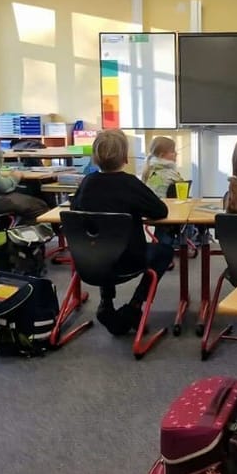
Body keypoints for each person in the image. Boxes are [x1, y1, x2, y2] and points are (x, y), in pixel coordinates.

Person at [70, 130, 170, 337]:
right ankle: (134, 305)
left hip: (89, 261)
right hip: (128, 261)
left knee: (104, 245)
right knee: (164, 252)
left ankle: (106, 303)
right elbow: (160, 211)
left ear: (95, 157)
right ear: (125, 157)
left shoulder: (87, 183)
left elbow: (74, 209)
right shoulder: (130, 184)